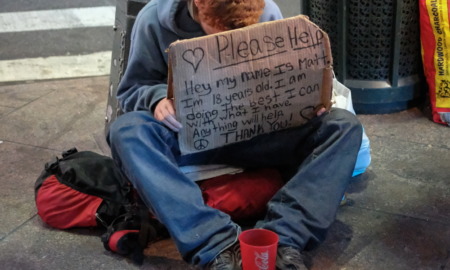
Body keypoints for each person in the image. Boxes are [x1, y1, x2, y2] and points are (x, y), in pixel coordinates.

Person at [107, 0, 363, 269]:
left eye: (239, 32)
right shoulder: (154, 21)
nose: (227, 41)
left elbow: (291, 75)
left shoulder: (269, 13)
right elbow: (133, 88)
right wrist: (157, 99)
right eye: (218, 31)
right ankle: (216, 245)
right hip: (190, 136)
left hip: (259, 132)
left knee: (342, 126)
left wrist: (309, 99)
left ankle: (284, 238)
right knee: (127, 131)